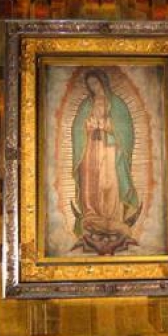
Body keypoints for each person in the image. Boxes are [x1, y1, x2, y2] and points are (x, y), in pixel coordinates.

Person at [71, 70, 141, 254]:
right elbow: (77, 127)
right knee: (90, 184)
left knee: (109, 182)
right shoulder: (87, 104)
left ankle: (112, 218)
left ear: (103, 82)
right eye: (90, 85)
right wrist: (86, 127)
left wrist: (108, 127)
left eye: (96, 83)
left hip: (110, 148)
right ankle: (92, 216)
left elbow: (126, 129)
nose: (94, 87)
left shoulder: (116, 104)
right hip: (91, 148)